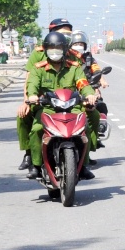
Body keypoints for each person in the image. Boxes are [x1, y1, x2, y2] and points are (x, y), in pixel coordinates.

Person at [26, 32, 98, 180]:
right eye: (51, 47)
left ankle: (84, 165)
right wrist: (32, 95)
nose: (55, 50)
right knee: (37, 129)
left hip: (72, 108)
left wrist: (90, 94)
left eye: (58, 47)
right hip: (47, 109)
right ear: (45, 49)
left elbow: (82, 83)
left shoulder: (74, 68)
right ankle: (36, 166)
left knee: (85, 129)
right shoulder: (38, 68)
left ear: (65, 49)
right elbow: (32, 84)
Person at [16, 18, 73, 171]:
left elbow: (81, 77)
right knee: (24, 116)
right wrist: (27, 100)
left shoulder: (71, 53)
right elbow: (30, 80)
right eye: (62, 33)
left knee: (89, 116)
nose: (66, 36)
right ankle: (29, 152)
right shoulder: (38, 54)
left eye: (69, 33)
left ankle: (83, 157)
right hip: (42, 101)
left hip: (68, 102)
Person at [69, 31, 108, 162]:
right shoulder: (67, 58)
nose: (78, 46)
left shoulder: (89, 58)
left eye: (81, 44)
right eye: (76, 43)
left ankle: (90, 149)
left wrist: (101, 81)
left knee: (99, 109)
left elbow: (96, 70)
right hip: (70, 95)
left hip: (87, 92)